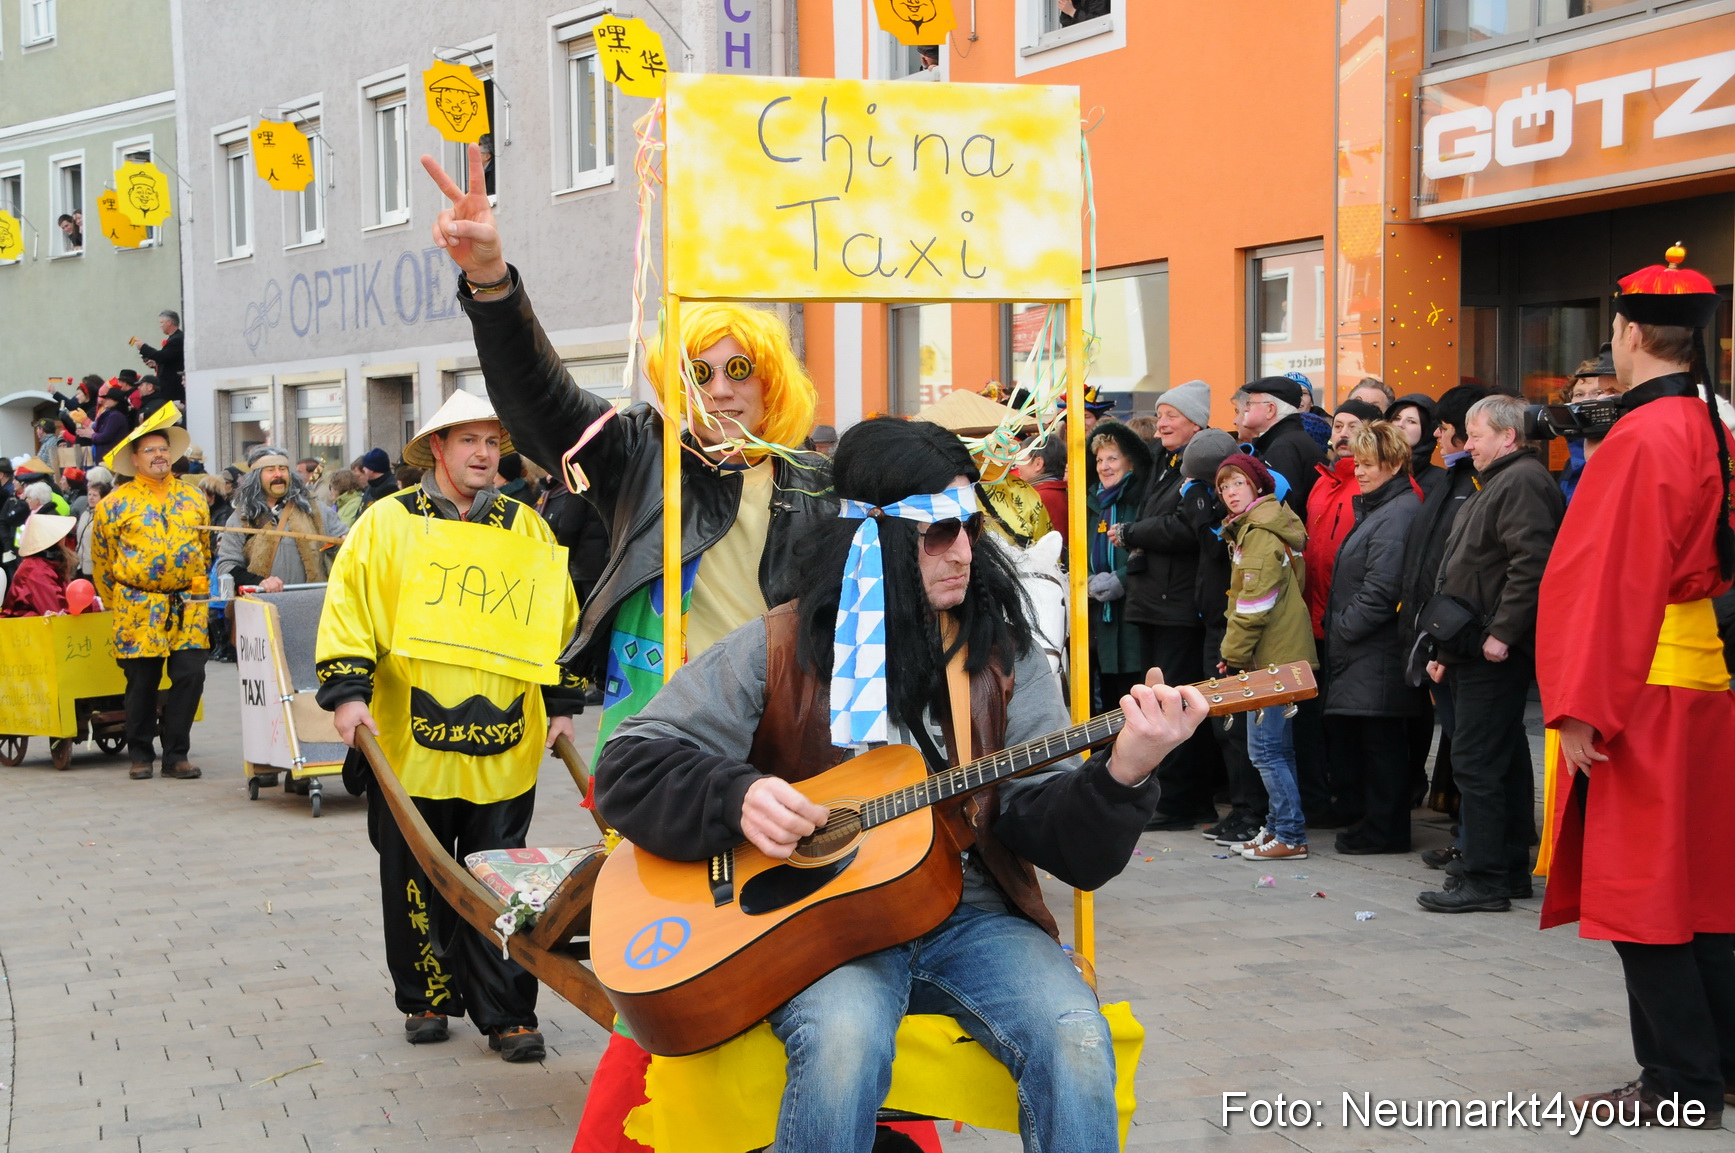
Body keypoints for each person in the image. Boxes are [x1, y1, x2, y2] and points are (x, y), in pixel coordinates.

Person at [594, 416, 1206, 1152]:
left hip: (973, 914)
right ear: (873, 538)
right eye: (938, 531)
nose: (964, 551)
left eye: (971, 526)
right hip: (820, 928)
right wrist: (736, 795)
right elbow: (630, 760)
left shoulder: (1001, 653)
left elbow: (1058, 833)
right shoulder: (779, 645)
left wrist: (1123, 771)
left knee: (1074, 1035)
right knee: (841, 1041)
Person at [424, 142, 839, 1142]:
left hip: (787, 748)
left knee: (802, 939)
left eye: (741, 369)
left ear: (770, 379)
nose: (723, 386)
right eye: (701, 370)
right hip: (664, 745)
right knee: (668, 950)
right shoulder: (639, 460)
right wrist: (489, 278)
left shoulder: (822, 486)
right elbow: (540, 404)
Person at [316, 392, 582, 1064]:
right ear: (437, 447)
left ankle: (507, 1009)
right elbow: (350, 605)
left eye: (492, 442)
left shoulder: (526, 527)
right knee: (413, 873)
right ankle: (427, 996)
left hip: (504, 738)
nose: (483, 454)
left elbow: (557, 616)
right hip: (411, 738)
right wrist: (348, 692)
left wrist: (560, 701)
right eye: (468, 441)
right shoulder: (384, 525)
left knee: (501, 874)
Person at [1538, 249, 1735, 1127]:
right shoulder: (1712, 427)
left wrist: (1580, 704)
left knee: (1643, 892)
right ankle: (1717, 1067)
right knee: (1704, 888)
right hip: (1698, 680)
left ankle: (1677, 1080)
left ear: (1624, 331)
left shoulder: (1642, 436)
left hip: (1639, 686)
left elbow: (1607, 579)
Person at [1417, 394, 1562, 912]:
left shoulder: (1521, 480)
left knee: (1479, 764)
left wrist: (1503, 631)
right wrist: (1442, 647)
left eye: (1476, 435)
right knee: (1489, 761)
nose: (1467, 443)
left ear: (1508, 436)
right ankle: (1499, 869)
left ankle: (1485, 878)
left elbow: (1532, 564)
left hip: (1492, 648)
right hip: (1469, 644)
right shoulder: (1500, 479)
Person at [90, 405, 212, 781]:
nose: (159, 455)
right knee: (141, 682)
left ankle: (176, 754)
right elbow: (101, 561)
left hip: (188, 603)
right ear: (134, 459)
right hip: (136, 605)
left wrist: (198, 591)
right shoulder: (113, 505)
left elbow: (205, 549)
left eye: (163, 449)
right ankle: (140, 752)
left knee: (190, 675)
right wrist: (118, 601)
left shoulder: (193, 499)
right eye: (150, 450)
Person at [1120, 379, 1221, 830]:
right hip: (1153, 600)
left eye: (1171, 415)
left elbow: (1185, 527)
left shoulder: (1201, 465)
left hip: (1179, 605)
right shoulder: (1163, 462)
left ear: (1197, 421)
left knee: (1175, 702)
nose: (1161, 422)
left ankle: (1184, 800)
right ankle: (1170, 794)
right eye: (1158, 413)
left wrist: (1133, 533)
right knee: (1155, 701)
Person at [1323, 423, 1428, 855]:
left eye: (1368, 465)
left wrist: (1343, 629)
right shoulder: (1383, 508)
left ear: (1395, 464)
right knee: (1372, 745)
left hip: (1375, 650)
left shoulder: (1397, 512)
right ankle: (1375, 824)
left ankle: (1384, 831)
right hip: (1367, 650)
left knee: (1382, 746)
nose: (1359, 473)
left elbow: (1382, 590)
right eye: (1358, 464)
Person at [1215, 452, 1317, 861]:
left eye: (1237, 482)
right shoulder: (1260, 526)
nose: (1229, 493)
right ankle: (1277, 828)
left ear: (1256, 485)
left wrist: (1231, 654)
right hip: (1276, 653)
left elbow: (1254, 603)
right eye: (1223, 487)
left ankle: (1290, 835)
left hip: (1272, 656)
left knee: (1265, 751)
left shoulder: (1258, 532)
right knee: (1277, 748)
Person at [1398, 384, 1488, 841]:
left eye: (1447, 429)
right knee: (1463, 743)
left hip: (1464, 632)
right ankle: (1473, 840)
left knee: (1477, 750)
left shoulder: (1478, 483)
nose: (1440, 437)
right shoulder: (1449, 479)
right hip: (1441, 630)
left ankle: (1483, 844)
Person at [1303, 398, 1386, 643]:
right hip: (1314, 615)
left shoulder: (1376, 482)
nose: (1343, 434)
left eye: (1353, 426)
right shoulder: (1322, 480)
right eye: (1338, 426)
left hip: (1353, 618)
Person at [216, 445, 346, 594]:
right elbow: (227, 566)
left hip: (312, 603)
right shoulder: (242, 517)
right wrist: (259, 582)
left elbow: (343, 542)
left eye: (283, 469)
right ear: (257, 477)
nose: (278, 474)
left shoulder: (314, 509)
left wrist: (345, 542)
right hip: (261, 606)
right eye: (270, 470)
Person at [1086, 420, 1151, 707]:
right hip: (1099, 620)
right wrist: (1085, 579)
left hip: (1134, 617)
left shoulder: (1142, 500)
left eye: (1112, 458)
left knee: (1133, 696)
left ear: (1131, 462)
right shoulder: (1092, 502)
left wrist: (1120, 580)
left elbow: (1151, 552)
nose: (1104, 466)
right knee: (1108, 700)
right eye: (1100, 459)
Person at [1234, 376, 1326, 517]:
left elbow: (1282, 510)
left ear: (1271, 409)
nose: (1245, 409)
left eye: (1250, 403)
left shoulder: (1283, 448)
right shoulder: (1290, 440)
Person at [3, 513, 78, 616]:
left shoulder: (45, 565)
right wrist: (94, 605)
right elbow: (57, 610)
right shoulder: (37, 571)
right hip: (25, 630)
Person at [1386, 394, 1443, 497]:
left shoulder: (1440, 479)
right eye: (1397, 418)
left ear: (1426, 431)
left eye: (1411, 421)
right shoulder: (1369, 469)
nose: (1400, 424)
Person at [1016, 435, 1069, 547]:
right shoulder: (1059, 493)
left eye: (1021, 459)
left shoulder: (1041, 497)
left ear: (1038, 464)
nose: (1017, 466)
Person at [134, 311, 185, 400]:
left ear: (169, 322)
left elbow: (162, 356)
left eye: (161, 322)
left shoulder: (177, 339)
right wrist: (155, 364)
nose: (160, 325)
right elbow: (168, 359)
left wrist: (143, 347)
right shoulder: (173, 338)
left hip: (173, 388)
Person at [86, 382, 134, 466]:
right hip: (108, 456)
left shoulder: (115, 416)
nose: (105, 401)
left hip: (110, 457)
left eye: (108, 399)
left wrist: (92, 435)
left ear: (116, 402)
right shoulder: (112, 415)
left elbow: (105, 436)